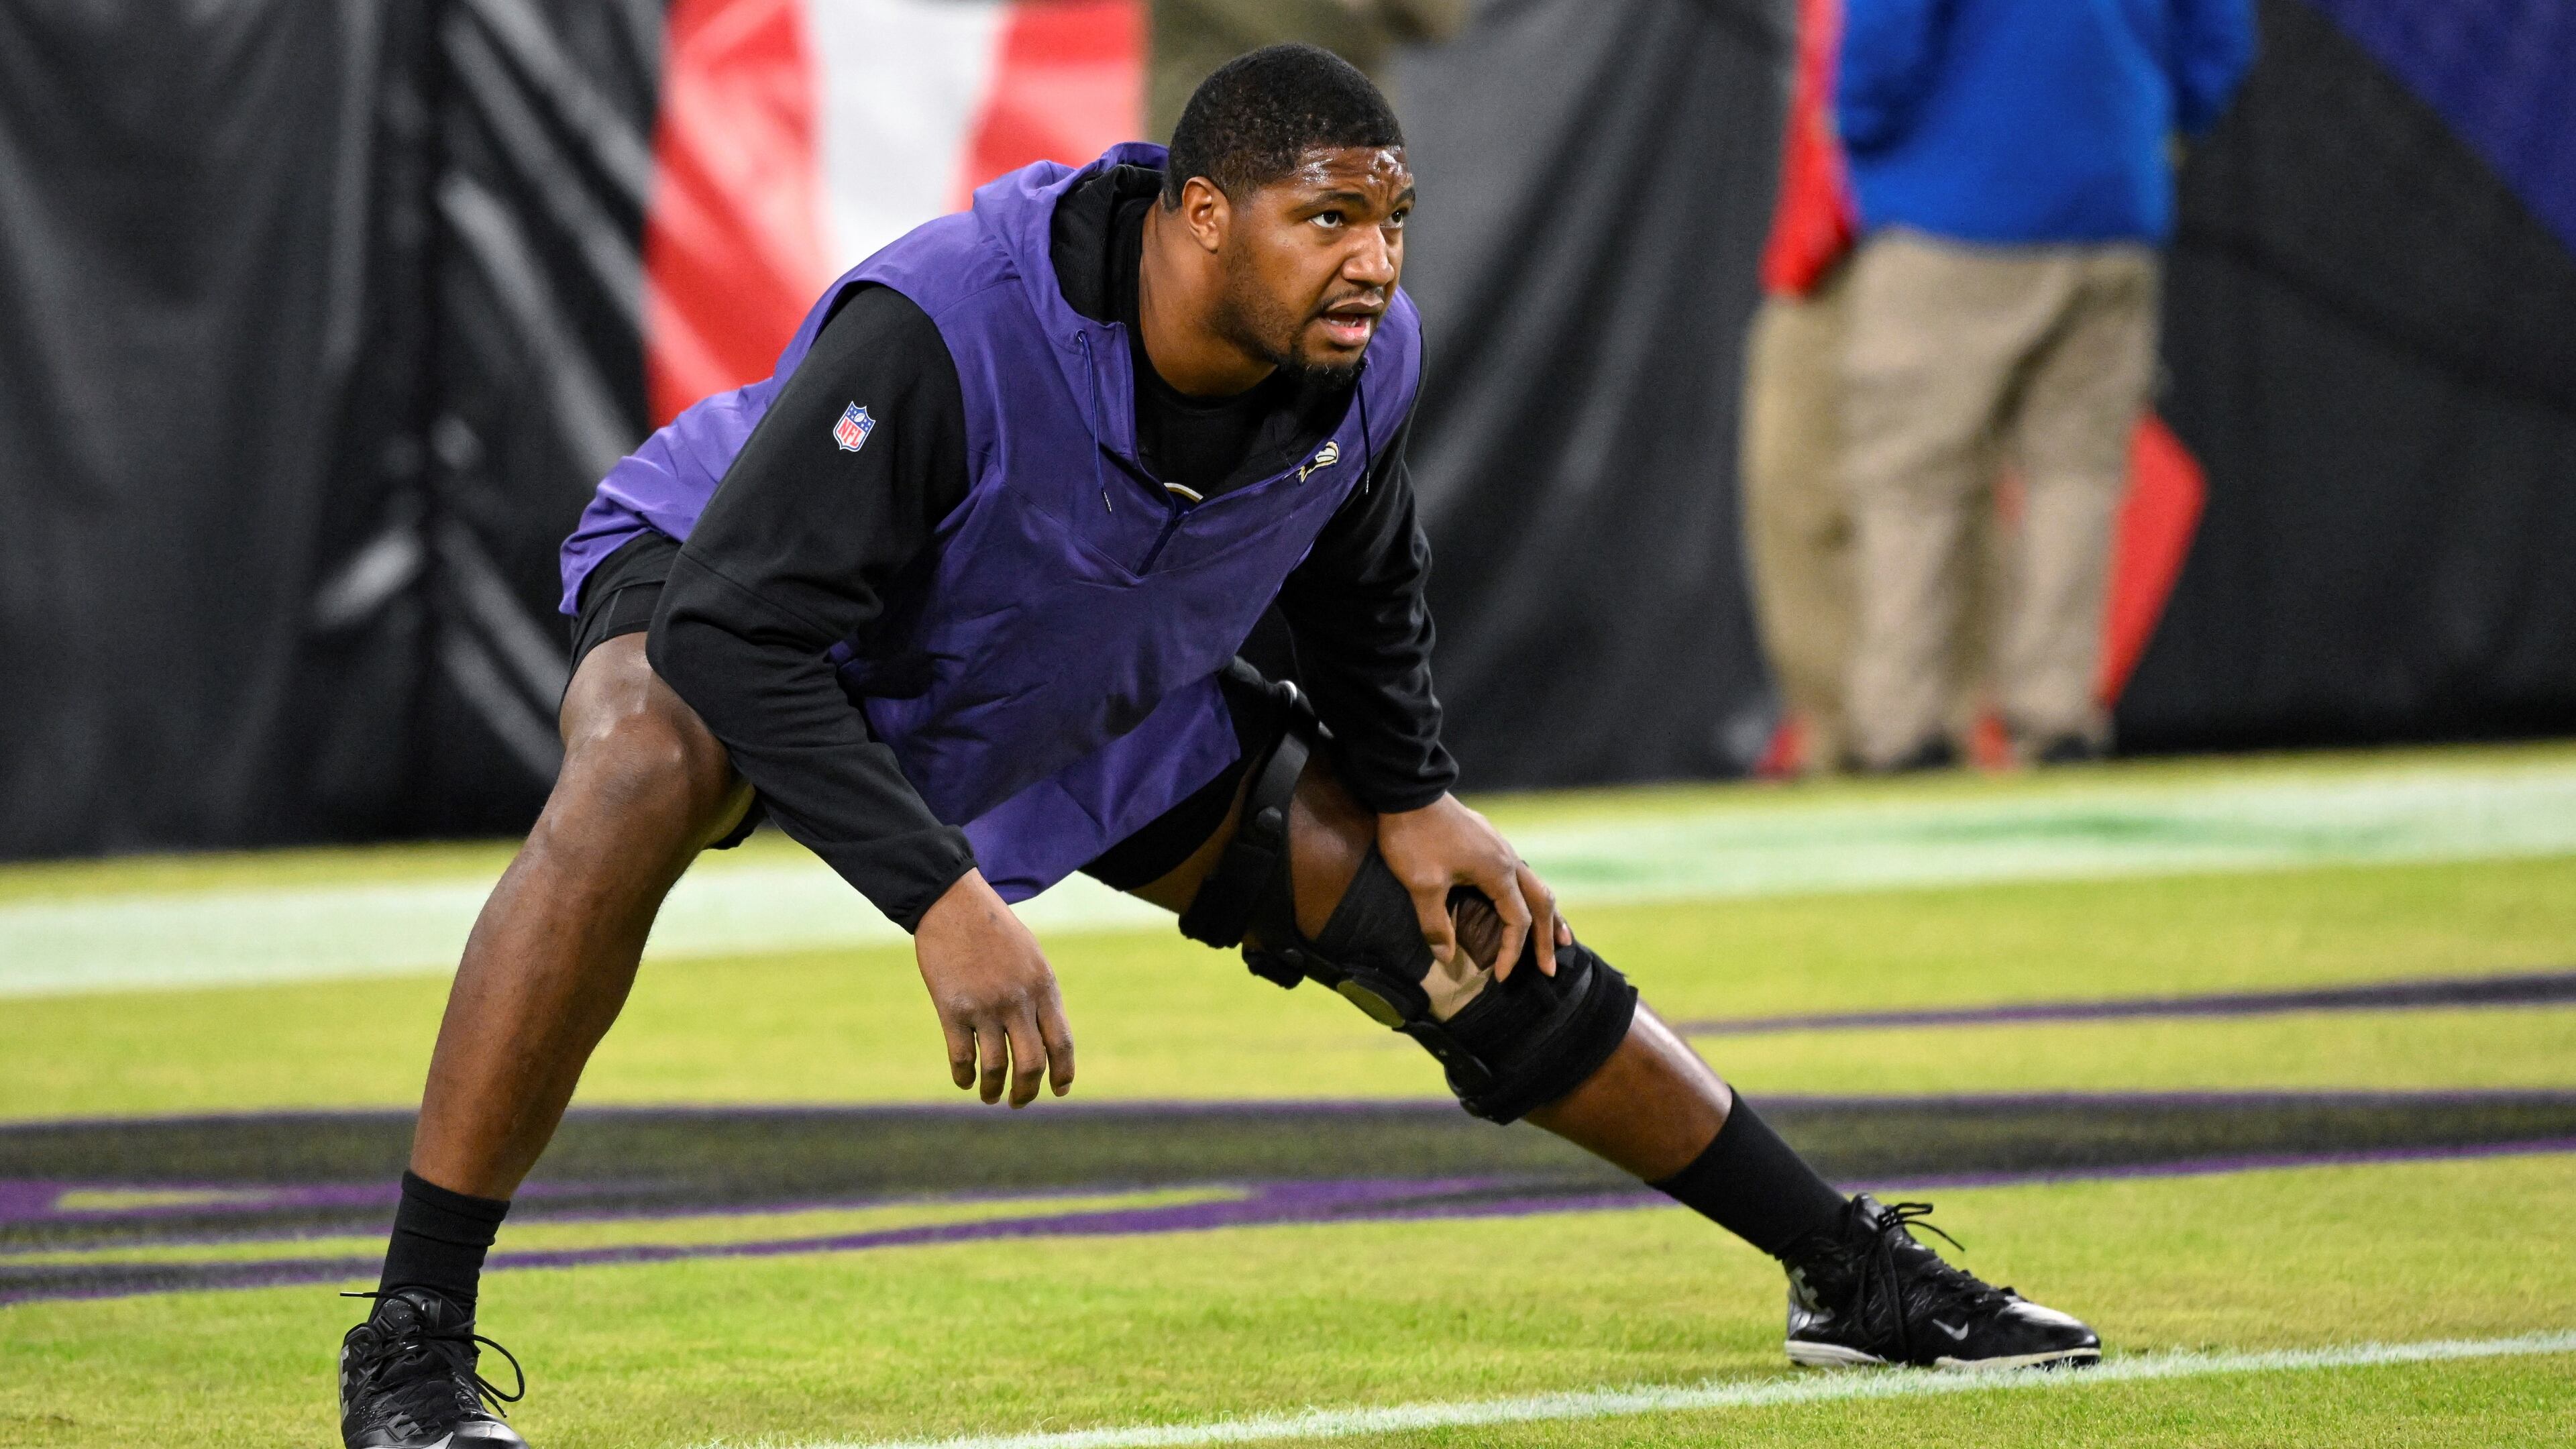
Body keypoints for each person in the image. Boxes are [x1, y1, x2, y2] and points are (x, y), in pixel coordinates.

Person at [333, 46, 2101, 1449]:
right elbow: (737, 630)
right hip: (761, 583)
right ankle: (409, 1348)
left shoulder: (1360, 356)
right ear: (1197, 217)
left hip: (1062, 649)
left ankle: (1844, 1271)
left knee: (1462, 942)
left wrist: (1413, 798)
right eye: (1329, 217)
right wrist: (940, 896)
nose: (1374, 261)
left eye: (1391, 219)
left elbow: (1363, 571)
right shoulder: (947, 323)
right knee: (642, 763)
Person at [1834, 0, 2254, 771]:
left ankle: (1905, 732)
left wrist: (1865, 131)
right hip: (2109, 204)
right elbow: (2220, 35)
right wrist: (2145, 121)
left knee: (1913, 483)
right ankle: (2057, 723)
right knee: (2077, 477)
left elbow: (1883, 41)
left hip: (1951, 210)